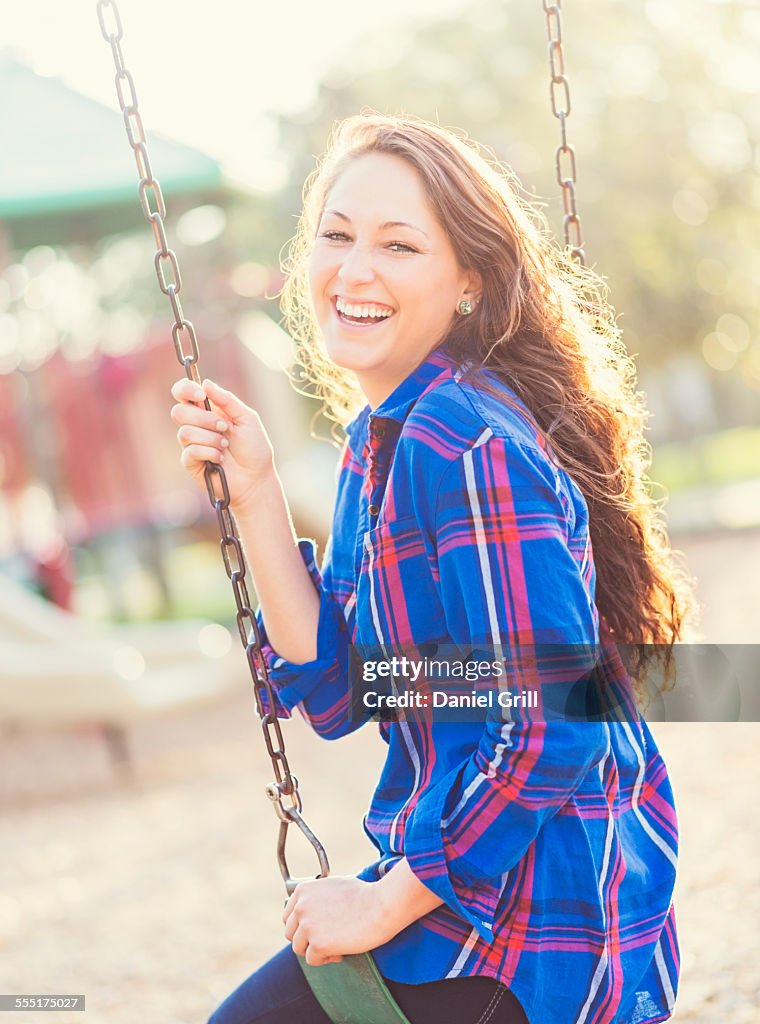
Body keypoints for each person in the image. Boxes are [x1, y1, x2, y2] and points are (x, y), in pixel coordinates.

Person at [171, 114, 697, 1024]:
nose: (355, 268)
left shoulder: (464, 442)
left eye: (399, 244)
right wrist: (255, 492)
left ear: (468, 284)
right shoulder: (379, 444)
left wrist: (380, 904)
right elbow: (343, 690)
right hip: (470, 888)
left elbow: (552, 726)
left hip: (538, 923)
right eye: (336, 235)